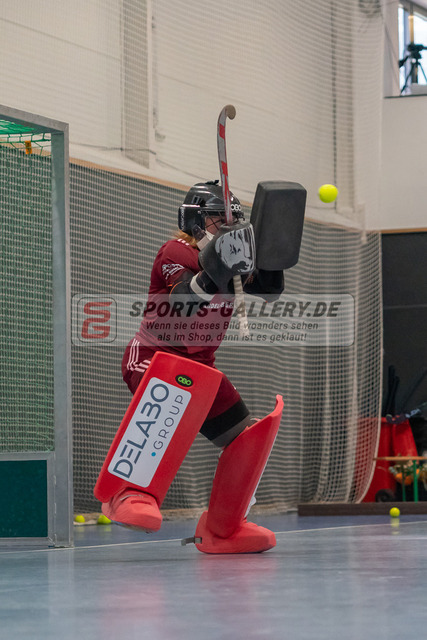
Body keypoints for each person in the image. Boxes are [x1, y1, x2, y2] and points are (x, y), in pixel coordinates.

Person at [95, 180, 285, 553]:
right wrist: (219, 265)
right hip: (154, 358)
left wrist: (272, 253)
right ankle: (128, 492)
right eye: (217, 219)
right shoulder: (175, 251)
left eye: (232, 220)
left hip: (201, 372)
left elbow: (269, 290)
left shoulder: (233, 259)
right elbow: (183, 300)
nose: (226, 227)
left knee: (244, 438)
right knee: (167, 403)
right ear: (195, 221)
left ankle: (225, 527)